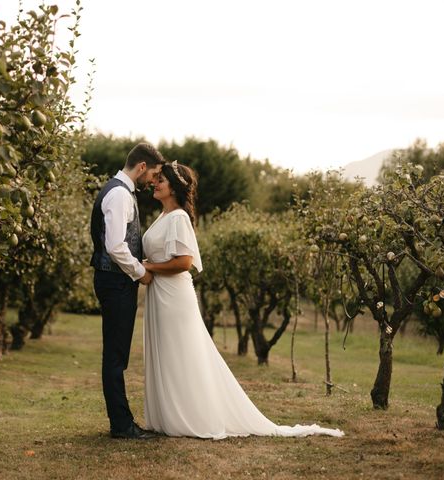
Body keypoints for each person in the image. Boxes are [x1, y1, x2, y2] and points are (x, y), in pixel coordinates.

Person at [141, 161, 345, 439]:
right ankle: (169, 415)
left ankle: (188, 417)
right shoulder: (162, 216)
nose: (155, 183)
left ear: (174, 187)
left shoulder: (178, 218)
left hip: (173, 296)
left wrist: (149, 267)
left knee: (180, 352)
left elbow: (184, 262)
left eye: (161, 180)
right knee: (167, 352)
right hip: (160, 294)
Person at [90, 143, 165, 439]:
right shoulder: (120, 194)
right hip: (116, 281)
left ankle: (121, 422)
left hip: (115, 280)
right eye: (154, 174)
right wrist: (140, 272)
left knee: (116, 353)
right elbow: (115, 246)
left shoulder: (120, 190)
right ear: (142, 167)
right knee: (116, 355)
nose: (153, 182)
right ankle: (121, 425)